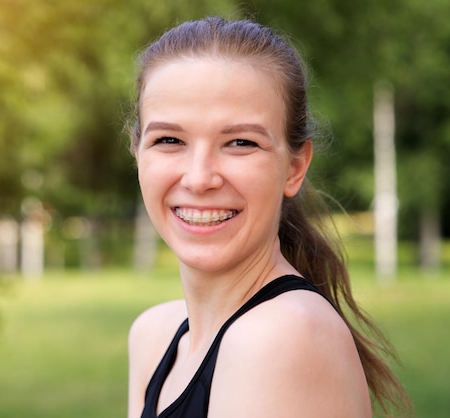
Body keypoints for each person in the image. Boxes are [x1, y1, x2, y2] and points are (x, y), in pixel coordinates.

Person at [127, 17, 411, 418]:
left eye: (240, 142)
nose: (199, 177)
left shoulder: (283, 337)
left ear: (295, 168)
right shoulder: (153, 336)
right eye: (169, 140)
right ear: (138, 152)